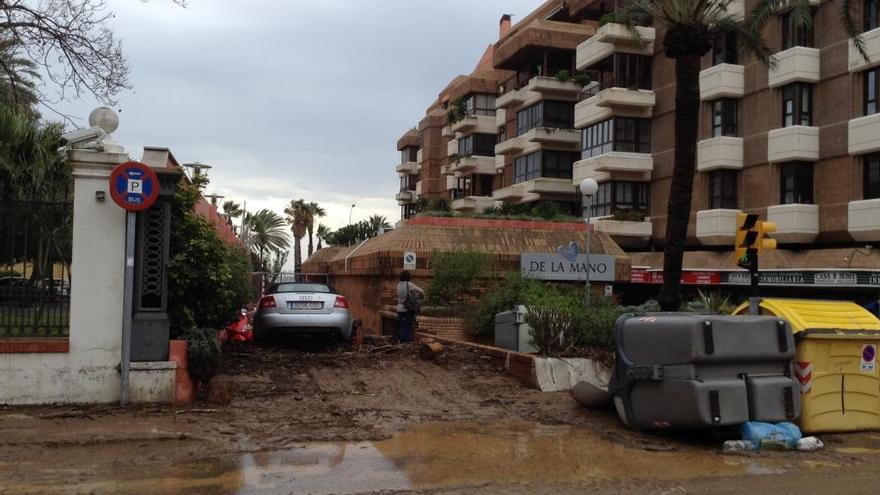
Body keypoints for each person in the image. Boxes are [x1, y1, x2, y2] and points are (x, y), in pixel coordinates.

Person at [397, 270, 424, 343]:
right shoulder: (408, 284)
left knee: (402, 325)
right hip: (407, 308)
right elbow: (421, 291)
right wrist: (418, 297)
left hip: (399, 309)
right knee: (408, 325)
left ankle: (401, 341)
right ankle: (407, 342)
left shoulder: (398, 285)